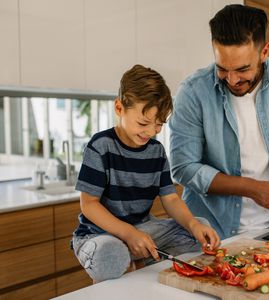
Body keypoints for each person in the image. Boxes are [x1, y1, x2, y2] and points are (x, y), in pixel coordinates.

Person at [169, 4, 269, 240]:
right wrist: (252, 188)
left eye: (243, 69)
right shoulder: (192, 93)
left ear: (264, 52)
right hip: (210, 231)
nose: (232, 80)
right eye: (222, 68)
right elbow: (183, 168)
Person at [72, 64, 220, 283]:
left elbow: (170, 198)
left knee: (199, 229)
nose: (151, 132)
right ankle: (132, 260)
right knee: (111, 254)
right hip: (99, 234)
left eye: (159, 124)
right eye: (143, 123)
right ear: (119, 108)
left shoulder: (156, 151)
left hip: (142, 228)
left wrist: (193, 224)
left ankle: (136, 260)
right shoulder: (100, 146)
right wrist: (128, 234)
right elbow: (89, 204)